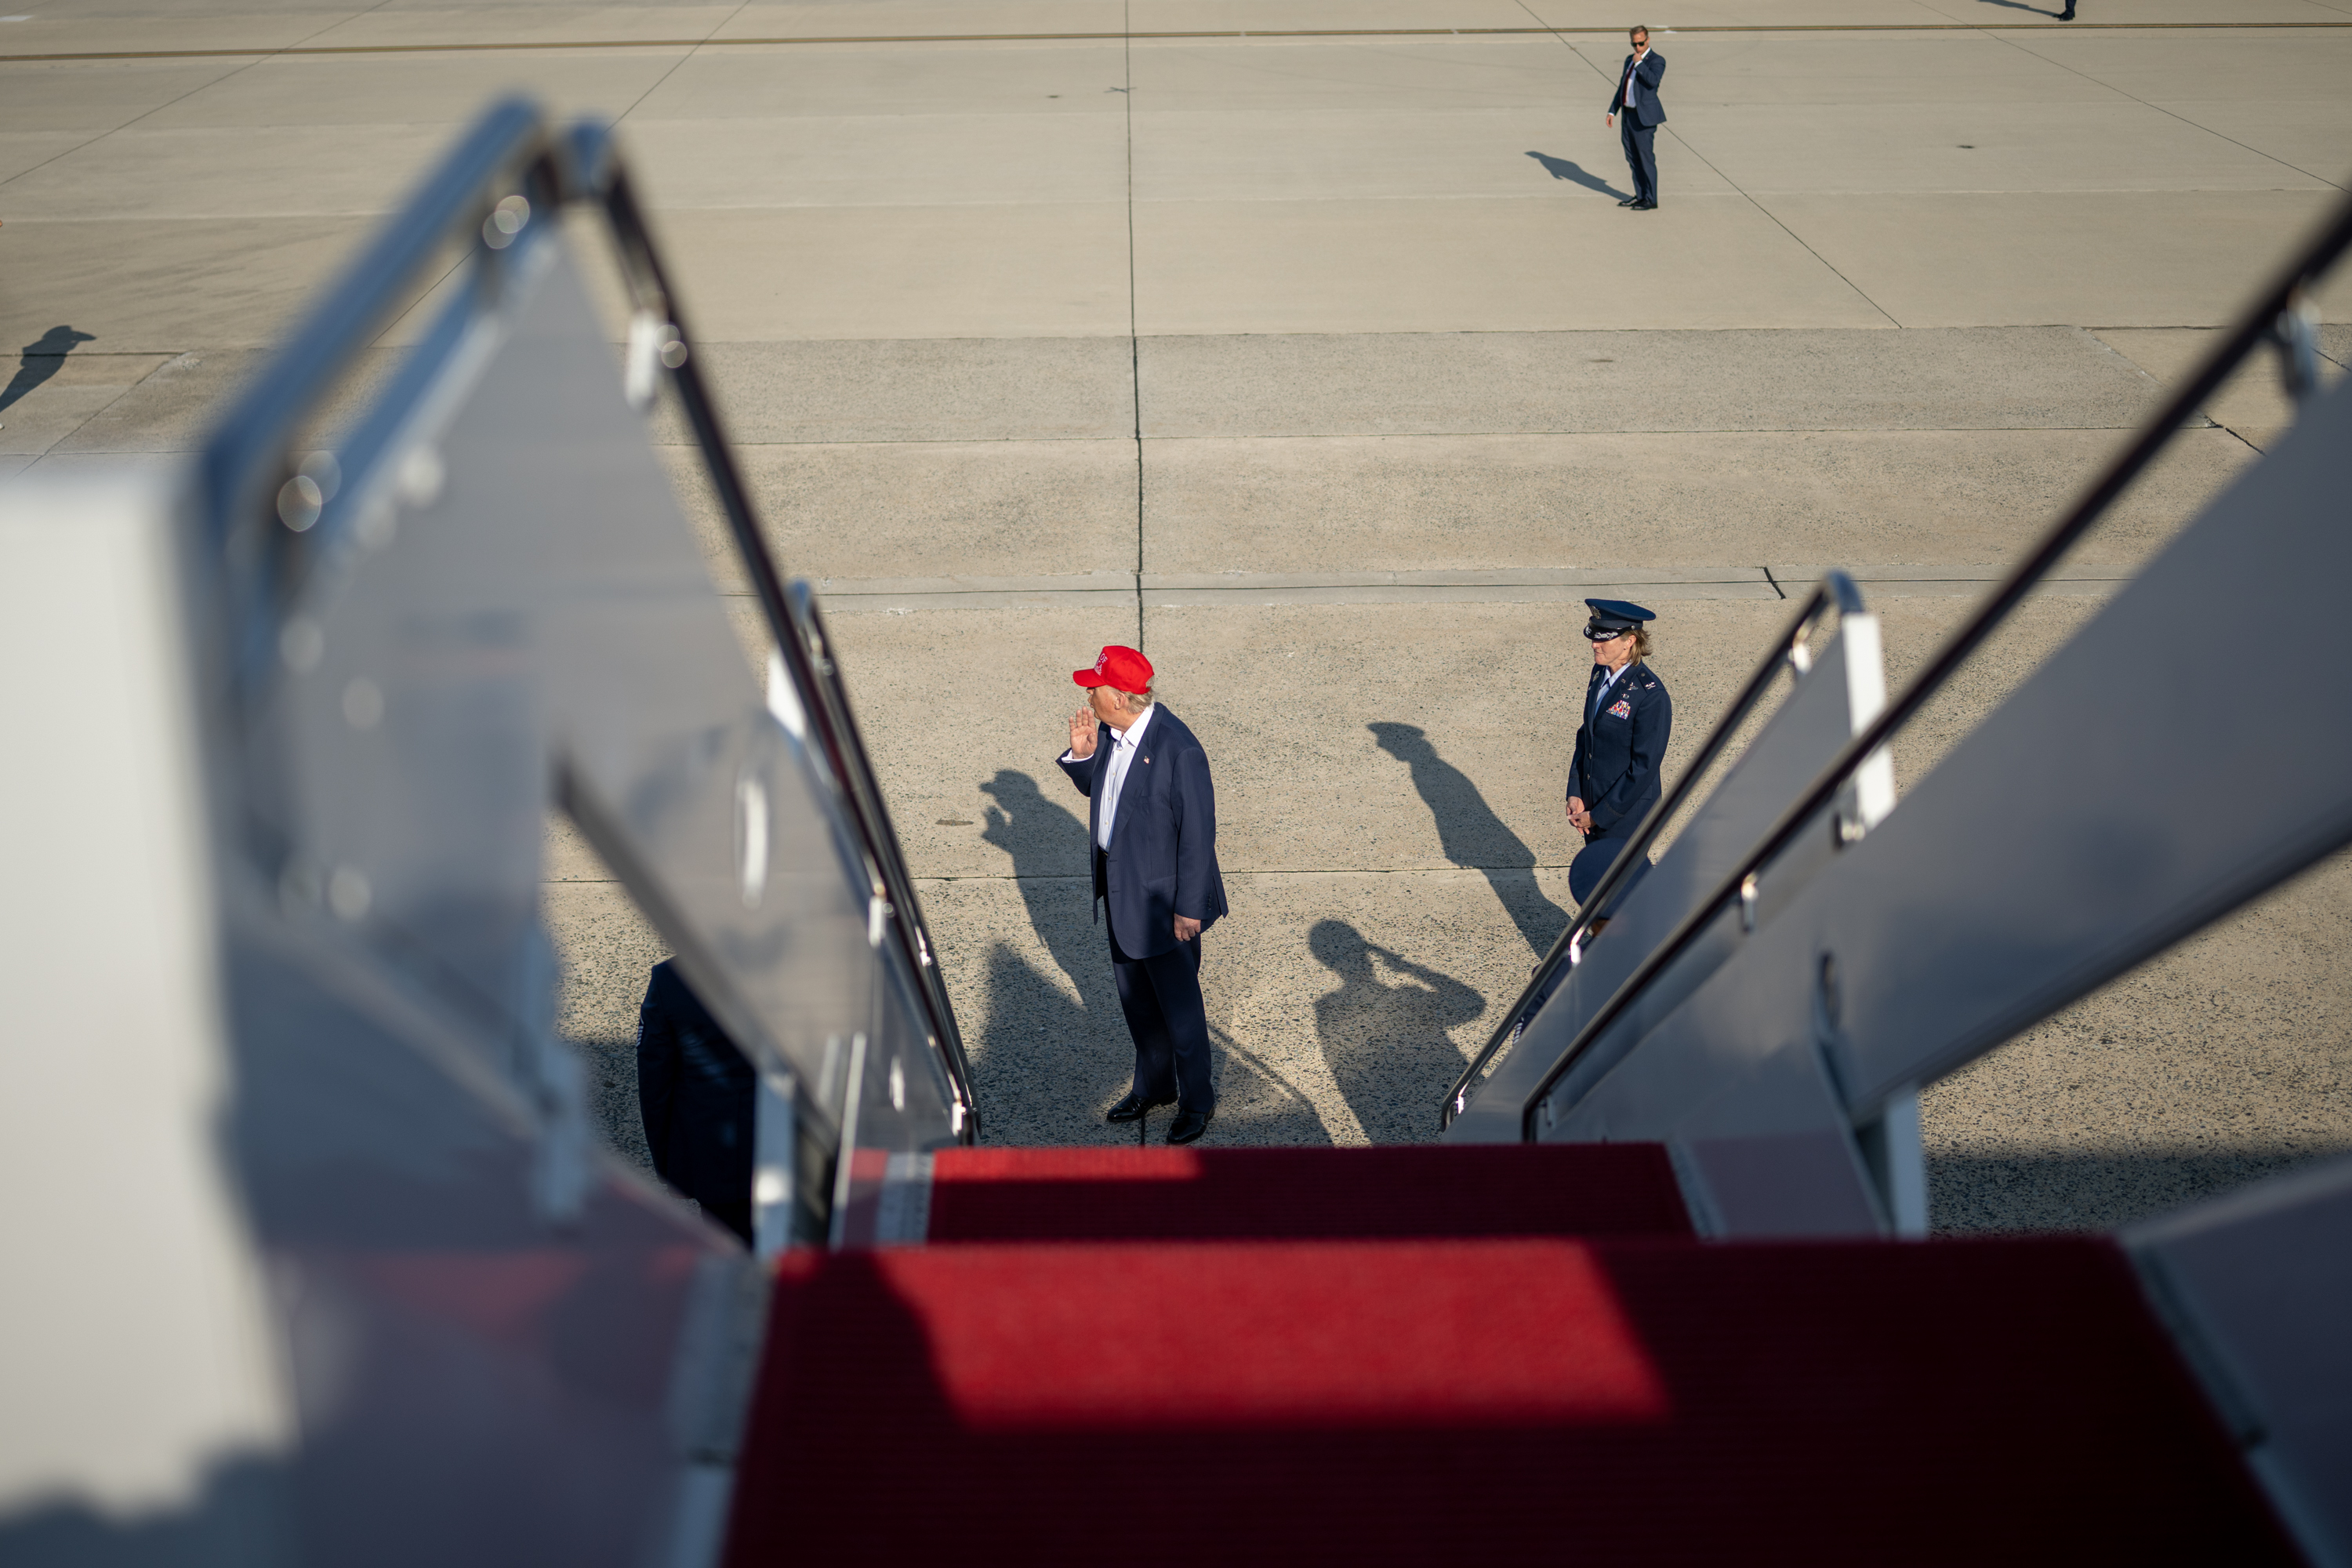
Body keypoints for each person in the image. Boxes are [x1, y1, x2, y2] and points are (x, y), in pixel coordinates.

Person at [1057, 644, 1228, 1145]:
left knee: (1181, 1013)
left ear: (1118, 696)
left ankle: (1197, 1100)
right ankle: (1154, 1087)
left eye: (1094, 686)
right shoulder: (1114, 733)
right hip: (1122, 893)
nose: (1087, 692)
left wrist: (1188, 910)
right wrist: (1085, 755)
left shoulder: (1178, 748)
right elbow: (1106, 793)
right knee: (1138, 1003)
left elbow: (1199, 835)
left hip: (1164, 905)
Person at [636, 959, 756, 1245]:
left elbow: (655, 1083)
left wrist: (668, 1169)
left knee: (729, 1256)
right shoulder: (781, 969)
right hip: (782, 1141)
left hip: (712, 1152)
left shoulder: (669, 978)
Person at [1566, 599, 1671, 906]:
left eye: (1604, 639)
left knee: (1625, 896)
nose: (1595, 646)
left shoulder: (1651, 696)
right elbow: (1587, 736)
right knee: (1599, 893)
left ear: (1630, 642)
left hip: (1625, 815)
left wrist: (1598, 817)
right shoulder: (1600, 676)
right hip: (1592, 806)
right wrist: (1575, 791)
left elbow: (1643, 768)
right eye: (1594, 638)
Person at [1605, 25, 1668, 211]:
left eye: (1641, 43)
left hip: (1644, 119)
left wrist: (1639, 63)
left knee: (1646, 158)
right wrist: (1612, 111)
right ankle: (1640, 195)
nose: (1637, 47)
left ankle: (1651, 199)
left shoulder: (1657, 60)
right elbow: (1622, 87)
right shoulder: (1628, 60)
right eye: (1634, 44)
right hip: (1628, 116)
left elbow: (1653, 81)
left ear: (1648, 40)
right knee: (1632, 157)